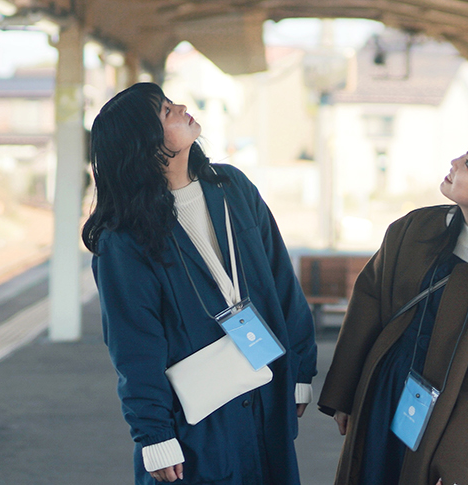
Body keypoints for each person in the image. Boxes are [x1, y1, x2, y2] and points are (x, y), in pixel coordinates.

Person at [86, 82, 318, 484]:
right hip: (196, 419)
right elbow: (134, 347)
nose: (180, 108)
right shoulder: (124, 237)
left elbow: (282, 283)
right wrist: (154, 435)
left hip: (264, 391)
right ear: (144, 142)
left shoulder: (233, 187)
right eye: (164, 111)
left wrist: (300, 368)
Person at [318, 133, 468, 485]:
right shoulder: (414, 228)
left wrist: (462, 474)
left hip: (444, 420)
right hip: (385, 394)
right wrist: (346, 393)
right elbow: (369, 301)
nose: (455, 162)